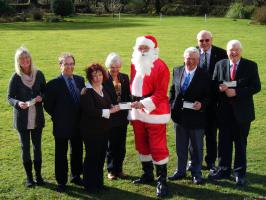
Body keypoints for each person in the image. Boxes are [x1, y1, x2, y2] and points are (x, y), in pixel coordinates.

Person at [209, 40, 261, 186]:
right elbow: (214, 84)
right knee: (224, 142)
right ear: (227, 52)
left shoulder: (250, 65)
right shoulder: (220, 65)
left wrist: (236, 92)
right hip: (224, 112)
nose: (234, 52)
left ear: (241, 50)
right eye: (231, 50)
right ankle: (223, 170)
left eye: (236, 50)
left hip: (242, 113)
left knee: (240, 143)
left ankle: (239, 173)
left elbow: (256, 87)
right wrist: (218, 88)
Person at [130, 35, 170, 197]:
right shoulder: (134, 63)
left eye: (145, 48)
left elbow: (161, 93)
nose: (142, 51)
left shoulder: (161, 67)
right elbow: (134, 85)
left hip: (155, 111)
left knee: (157, 145)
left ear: (153, 49)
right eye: (140, 48)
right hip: (137, 110)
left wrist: (144, 103)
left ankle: (162, 180)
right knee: (141, 142)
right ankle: (147, 174)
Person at [168, 47, 210, 184]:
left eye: (193, 59)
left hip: (196, 117)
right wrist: (171, 105)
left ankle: (196, 173)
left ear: (198, 60)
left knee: (196, 147)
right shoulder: (177, 70)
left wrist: (202, 104)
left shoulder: (205, 74)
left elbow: (210, 96)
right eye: (188, 59)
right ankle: (180, 171)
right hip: (179, 117)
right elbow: (173, 90)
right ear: (184, 58)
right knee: (180, 146)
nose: (190, 61)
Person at [44, 53, 84, 192]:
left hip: (78, 123)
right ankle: (61, 181)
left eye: (71, 63)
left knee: (77, 150)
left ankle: (76, 176)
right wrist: (59, 116)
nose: (69, 67)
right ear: (60, 65)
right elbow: (48, 105)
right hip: (61, 124)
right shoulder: (53, 84)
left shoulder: (80, 80)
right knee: (61, 153)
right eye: (66, 64)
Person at [7, 46, 46, 187]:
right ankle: (29, 178)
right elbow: (9, 97)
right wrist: (18, 103)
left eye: (27, 57)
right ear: (18, 61)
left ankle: (39, 176)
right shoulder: (15, 77)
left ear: (30, 58)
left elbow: (44, 91)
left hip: (37, 118)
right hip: (22, 119)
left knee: (37, 147)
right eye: (21, 58)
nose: (25, 60)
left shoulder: (39, 74)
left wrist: (41, 97)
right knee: (25, 148)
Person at [80, 63, 120, 192]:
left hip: (103, 130)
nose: (97, 77)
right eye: (94, 75)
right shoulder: (86, 91)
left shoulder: (103, 89)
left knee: (101, 157)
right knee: (92, 157)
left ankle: (99, 183)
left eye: (99, 74)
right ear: (90, 77)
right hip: (91, 131)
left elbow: (108, 104)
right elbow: (91, 111)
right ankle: (89, 185)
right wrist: (109, 112)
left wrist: (113, 107)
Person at [196, 30, 227, 171]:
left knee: (211, 133)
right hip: (196, 101)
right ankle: (195, 161)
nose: (204, 43)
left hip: (214, 101)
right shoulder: (193, 52)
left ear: (211, 40)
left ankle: (210, 161)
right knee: (195, 133)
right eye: (201, 41)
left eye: (207, 40)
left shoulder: (221, 54)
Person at [103, 53, 131, 180]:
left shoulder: (124, 77)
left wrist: (129, 106)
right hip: (110, 117)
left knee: (121, 145)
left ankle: (119, 169)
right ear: (108, 67)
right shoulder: (103, 79)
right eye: (111, 67)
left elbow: (127, 96)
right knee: (111, 145)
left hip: (122, 117)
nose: (114, 69)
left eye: (117, 66)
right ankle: (111, 170)